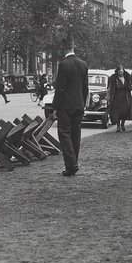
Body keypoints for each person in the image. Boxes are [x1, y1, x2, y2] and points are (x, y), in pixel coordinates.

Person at [54, 42, 89, 177]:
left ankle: (71, 165)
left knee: (64, 134)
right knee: (76, 134)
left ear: (64, 49)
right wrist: (83, 103)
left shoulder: (63, 65)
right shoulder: (83, 64)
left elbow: (60, 88)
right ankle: (74, 162)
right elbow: (85, 88)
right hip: (79, 104)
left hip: (66, 106)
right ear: (74, 48)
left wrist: (55, 106)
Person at [107, 65, 132, 132]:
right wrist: (109, 97)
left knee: (125, 112)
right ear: (117, 72)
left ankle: (122, 124)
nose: (120, 73)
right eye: (119, 71)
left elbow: (129, 86)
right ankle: (118, 126)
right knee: (117, 112)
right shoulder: (113, 78)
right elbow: (110, 88)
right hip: (116, 97)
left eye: (121, 71)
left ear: (123, 71)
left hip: (125, 97)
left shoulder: (127, 77)